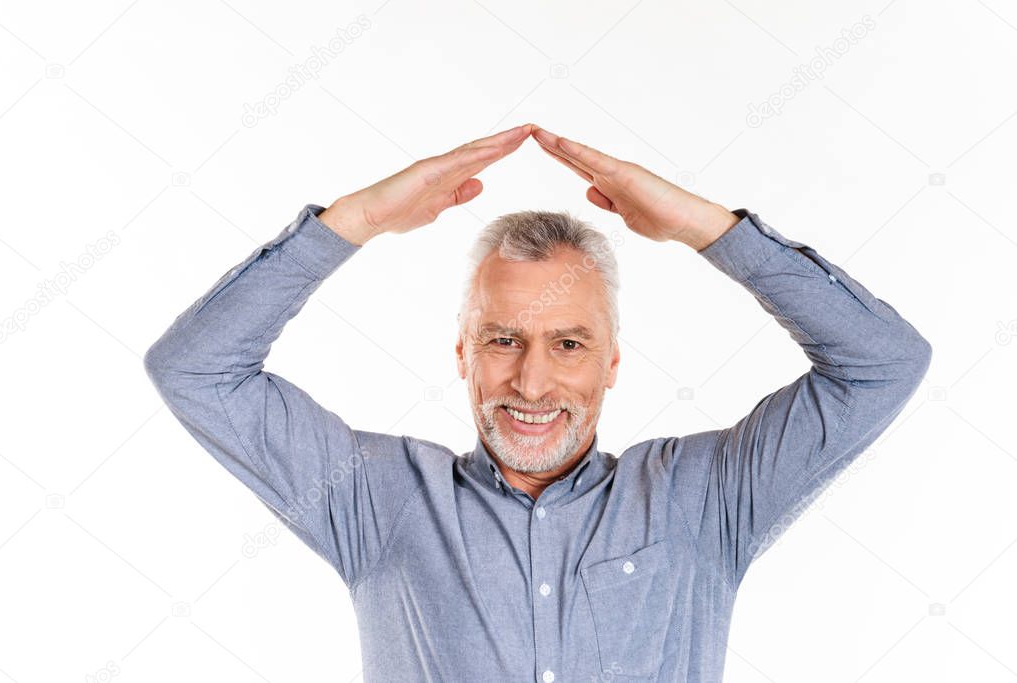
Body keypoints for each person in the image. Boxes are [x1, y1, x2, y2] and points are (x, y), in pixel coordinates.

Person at [143, 123, 932, 682]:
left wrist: (706, 227)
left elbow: (880, 363)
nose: (530, 384)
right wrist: (360, 219)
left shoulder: (706, 498)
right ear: (460, 353)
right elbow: (197, 369)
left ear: (612, 361)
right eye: (501, 340)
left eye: (568, 343)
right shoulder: (376, 498)